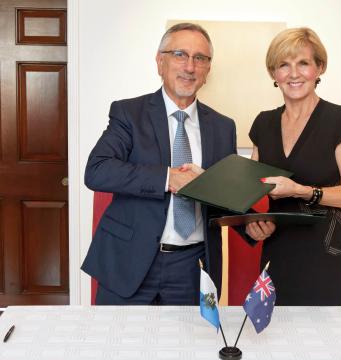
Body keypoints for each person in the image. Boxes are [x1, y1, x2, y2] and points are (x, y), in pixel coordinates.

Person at [81, 23, 237, 305]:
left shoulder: (224, 127)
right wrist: (168, 178)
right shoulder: (128, 113)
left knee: (188, 350)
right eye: (180, 54)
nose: (189, 66)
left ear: (207, 69)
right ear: (160, 61)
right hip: (128, 261)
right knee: (118, 347)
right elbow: (97, 170)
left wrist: (250, 223)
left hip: (194, 267)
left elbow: (224, 195)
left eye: (199, 58)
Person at [246, 27, 341, 306]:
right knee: (274, 343)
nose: (293, 74)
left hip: (325, 254)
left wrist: (302, 190)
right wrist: (253, 223)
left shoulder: (340, 119)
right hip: (277, 253)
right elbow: (249, 190)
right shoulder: (263, 123)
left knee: (327, 343)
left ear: (319, 67)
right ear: (274, 74)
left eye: (303, 63)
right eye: (283, 65)